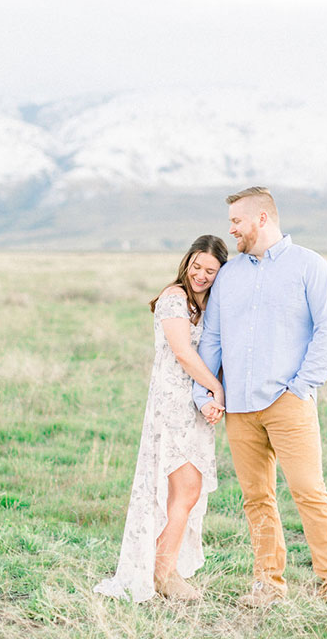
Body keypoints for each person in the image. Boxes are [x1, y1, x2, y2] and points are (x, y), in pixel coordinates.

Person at [195, 187, 327, 606]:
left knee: (308, 491)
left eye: (237, 222)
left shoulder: (309, 266)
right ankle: (268, 585)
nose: (231, 230)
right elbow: (211, 338)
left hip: (288, 401)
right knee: (256, 499)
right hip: (239, 408)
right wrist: (205, 391)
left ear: (262, 219)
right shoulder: (230, 274)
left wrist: (302, 386)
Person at [94, 235, 228, 603]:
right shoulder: (174, 299)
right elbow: (184, 354)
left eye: (210, 270)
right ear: (187, 262)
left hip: (196, 405)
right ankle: (160, 572)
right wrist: (216, 390)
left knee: (186, 491)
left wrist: (209, 398)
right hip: (174, 404)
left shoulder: (211, 304)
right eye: (196, 266)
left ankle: (163, 567)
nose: (200, 275)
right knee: (183, 489)